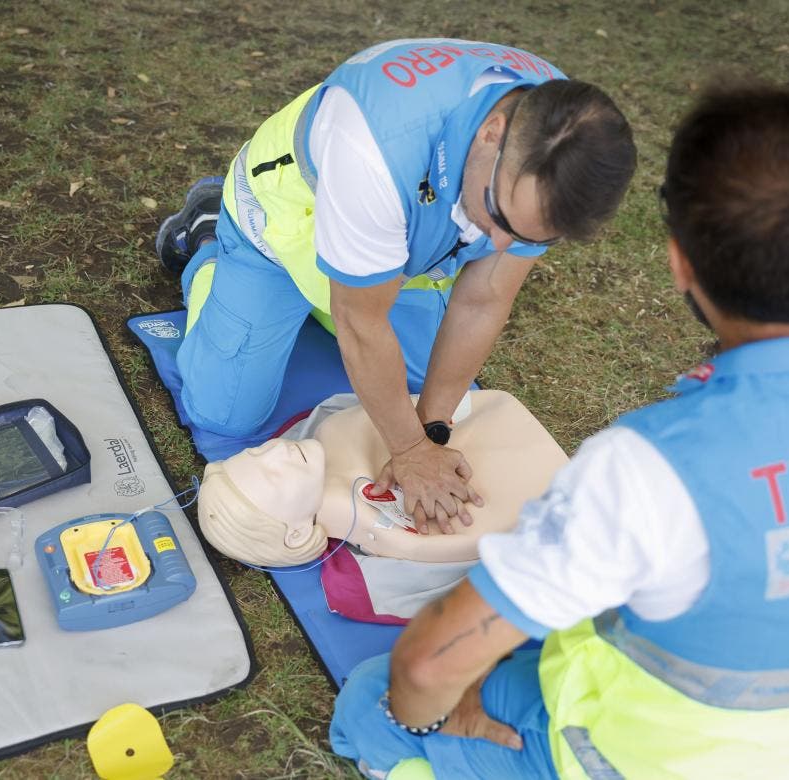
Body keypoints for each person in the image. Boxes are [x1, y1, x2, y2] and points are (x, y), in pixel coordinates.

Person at [328, 83, 789, 779]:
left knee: (372, 702)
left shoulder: (649, 468)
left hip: (625, 758)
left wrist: (440, 714)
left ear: (679, 261)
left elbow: (428, 662)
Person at [155, 39, 636, 535]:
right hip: (282, 227)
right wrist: (407, 452)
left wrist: (431, 433)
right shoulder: (376, 144)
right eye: (497, 214)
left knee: (423, 385)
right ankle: (211, 242)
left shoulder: (564, 143)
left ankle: (344, 293)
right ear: (492, 133)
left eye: (529, 237)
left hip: (400, 250)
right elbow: (362, 323)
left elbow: (484, 297)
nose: (497, 243)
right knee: (225, 413)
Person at [196, 389, 569, 567]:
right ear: (295, 533)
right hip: (531, 480)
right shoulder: (374, 524)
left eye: (257, 452)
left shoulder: (331, 433)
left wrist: (415, 446)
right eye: (273, 476)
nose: (277, 450)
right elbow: (442, 544)